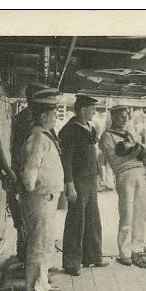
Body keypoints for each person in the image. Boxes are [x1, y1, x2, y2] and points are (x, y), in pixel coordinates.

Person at [19, 88, 64, 291]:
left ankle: (42, 283)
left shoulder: (45, 135)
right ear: (43, 116)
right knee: (37, 246)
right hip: (39, 198)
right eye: (54, 114)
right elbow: (30, 170)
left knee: (46, 244)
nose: (56, 117)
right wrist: (31, 189)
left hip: (48, 197)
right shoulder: (37, 137)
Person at [59, 94, 108, 276]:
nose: (94, 113)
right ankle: (72, 263)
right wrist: (69, 183)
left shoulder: (89, 127)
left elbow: (92, 154)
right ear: (81, 110)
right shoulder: (70, 130)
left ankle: (93, 257)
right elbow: (66, 159)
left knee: (92, 219)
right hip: (78, 181)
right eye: (91, 109)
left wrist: (98, 174)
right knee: (76, 221)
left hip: (90, 180)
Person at [99, 105, 146, 266]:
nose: (124, 119)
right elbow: (115, 160)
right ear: (112, 117)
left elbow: (142, 154)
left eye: (126, 116)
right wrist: (136, 152)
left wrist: (139, 151)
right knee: (127, 213)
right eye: (121, 116)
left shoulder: (128, 134)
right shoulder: (107, 137)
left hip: (139, 172)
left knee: (140, 213)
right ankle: (124, 251)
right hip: (124, 174)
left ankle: (138, 247)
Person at [9, 82, 48, 264]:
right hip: (23, 173)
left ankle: (26, 259)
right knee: (25, 222)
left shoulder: (25, 117)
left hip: (22, 172)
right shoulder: (28, 119)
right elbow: (21, 149)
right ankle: (26, 261)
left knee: (26, 221)